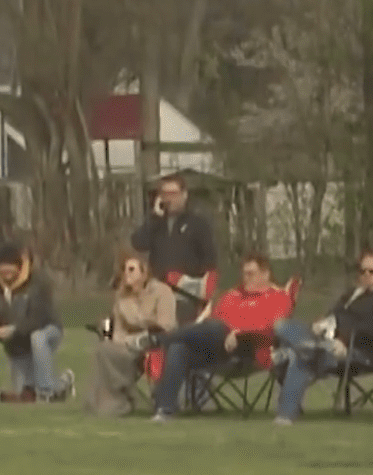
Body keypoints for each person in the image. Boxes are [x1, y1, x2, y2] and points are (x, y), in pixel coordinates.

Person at [151, 253, 295, 420]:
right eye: (244, 273)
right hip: (218, 350)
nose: (246, 278)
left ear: (265, 274)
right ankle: (165, 409)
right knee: (179, 348)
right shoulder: (231, 296)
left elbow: (272, 330)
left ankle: (161, 340)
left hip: (249, 349)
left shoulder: (279, 297)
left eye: (251, 274)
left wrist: (237, 334)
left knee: (218, 327)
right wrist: (228, 333)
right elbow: (210, 325)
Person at [272, 250, 373, 425]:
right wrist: (321, 324)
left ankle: (285, 413)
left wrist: (344, 339)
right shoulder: (353, 294)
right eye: (362, 271)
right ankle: (308, 347)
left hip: (360, 353)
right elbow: (335, 315)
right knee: (283, 325)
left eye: (372, 271)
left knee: (301, 357)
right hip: (328, 342)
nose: (366, 275)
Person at [83, 251, 176, 417]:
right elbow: (118, 332)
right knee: (103, 349)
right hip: (127, 345)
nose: (127, 274)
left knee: (106, 351)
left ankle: (121, 401)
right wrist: (128, 339)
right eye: (125, 270)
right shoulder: (123, 298)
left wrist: (144, 324)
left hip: (156, 344)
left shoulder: (162, 292)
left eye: (132, 269)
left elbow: (167, 325)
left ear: (144, 273)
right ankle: (107, 402)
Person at [0, 244, 69, 403]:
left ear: (18, 267)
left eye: (10, 268)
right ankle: (63, 384)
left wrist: (14, 329)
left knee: (38, 338)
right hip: (16, 344)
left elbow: (38, 317)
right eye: (2, 269)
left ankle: (46, 393)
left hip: (46, 329)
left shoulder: (38, 284)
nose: (6, 274)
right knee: (23, 391)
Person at [128, 172, 218, 324]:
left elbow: (210, 261)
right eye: (165, 194)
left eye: (173, 193)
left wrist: (202, 293)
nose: (169, 198)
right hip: (158, 292)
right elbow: (138, 243)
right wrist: (155, 217)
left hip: (185, 294)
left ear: (184, 195)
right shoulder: (156, 224)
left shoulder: (198, 224)